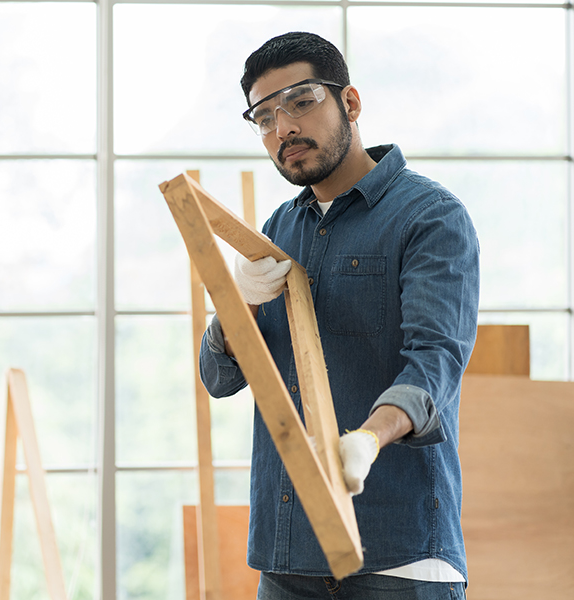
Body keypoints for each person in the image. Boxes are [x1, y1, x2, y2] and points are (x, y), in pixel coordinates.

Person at [199, 31, 479, 600]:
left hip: (397, 561)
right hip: (287, 561)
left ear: (349, 103)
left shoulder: (430, 217)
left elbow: (435, 363)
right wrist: (240, 305)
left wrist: (369, 441)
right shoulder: (278, 229)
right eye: (263, 116)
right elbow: (221, 377)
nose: (282, 129)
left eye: (300, 102)